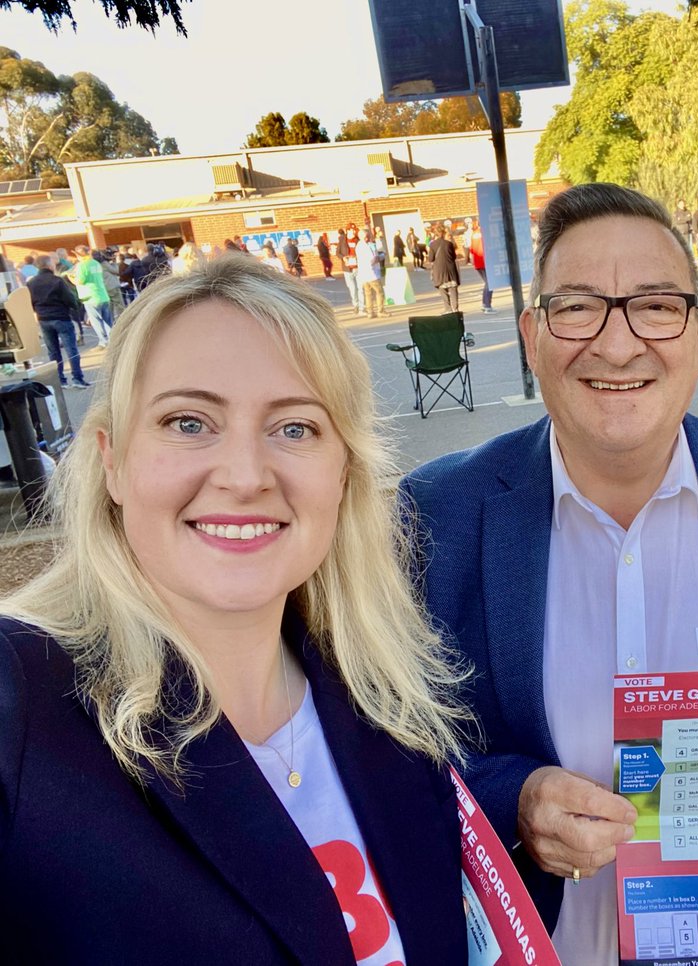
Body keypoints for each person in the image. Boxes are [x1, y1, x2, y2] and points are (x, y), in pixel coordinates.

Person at [399, 182, 698, 966]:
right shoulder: (437, 515)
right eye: (577, 308)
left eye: (655, 306)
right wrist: (513, 800)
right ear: (532, 335)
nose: (618, 344)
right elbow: (399, 754)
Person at [0, 256, 469, 964]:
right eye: (188, 422)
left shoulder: (385, 703)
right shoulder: (18, 702)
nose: (246, 476)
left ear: (344, 472)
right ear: (112, 461)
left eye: (295, 429)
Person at [25, 254, 90, 389]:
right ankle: (77, 378)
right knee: (71, 349)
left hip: (43, 319)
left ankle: (59, 379)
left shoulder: (31, 283)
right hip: (61, 317)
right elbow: (69, 299)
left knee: (53, 351)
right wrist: (76, 305)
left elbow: (29, 302)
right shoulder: (57, 281)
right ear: (50, 265)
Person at [70, 245, 115, 347]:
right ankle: (113, 339)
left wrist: (71, 278)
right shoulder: (96, 263)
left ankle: (103, 341)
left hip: (90, 297)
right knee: (108, 320)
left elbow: (80, 281)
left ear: (78, 255)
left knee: (97, 322)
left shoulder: (82, 266)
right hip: (103, 294)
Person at [462, 217, 495, 313]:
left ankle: (485, 304)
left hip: (478, 262)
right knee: (490, 283)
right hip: (485, 261)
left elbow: (472, 249)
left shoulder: (474, 233)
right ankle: (487, 305)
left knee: (487, 283)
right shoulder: (486, 233)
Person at [427, 225, 460, 313]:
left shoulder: (432, 244)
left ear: (435, 234)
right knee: (453, 288)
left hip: (439, 269)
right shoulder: (449, 244)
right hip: (450, 268)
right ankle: (455, 308)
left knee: (442, 289)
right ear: (443, 233)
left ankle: (448, 308)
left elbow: (430, 259)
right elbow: (454, 256)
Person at [356, 228, 386, 319]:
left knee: (368, 294)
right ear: (365, 237)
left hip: (363, 274)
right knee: (379, 292)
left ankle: (370, 312)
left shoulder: (359, 246)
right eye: (368, 236)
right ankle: (380, 311)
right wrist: (381, 256)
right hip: (371, 273)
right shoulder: (366, 247)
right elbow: (373, 260)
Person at [337, 226, 363, 314]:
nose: (353, 232)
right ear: (348, 231)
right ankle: (355, 304)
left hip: (357, 267)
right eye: (352, 230)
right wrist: (343, 258)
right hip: (347, 268)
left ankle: (361, 306)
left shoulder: (357, 240)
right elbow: (338, 253)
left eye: (354, 231)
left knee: (360, 288)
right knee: (352, 288)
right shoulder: (342, 240)